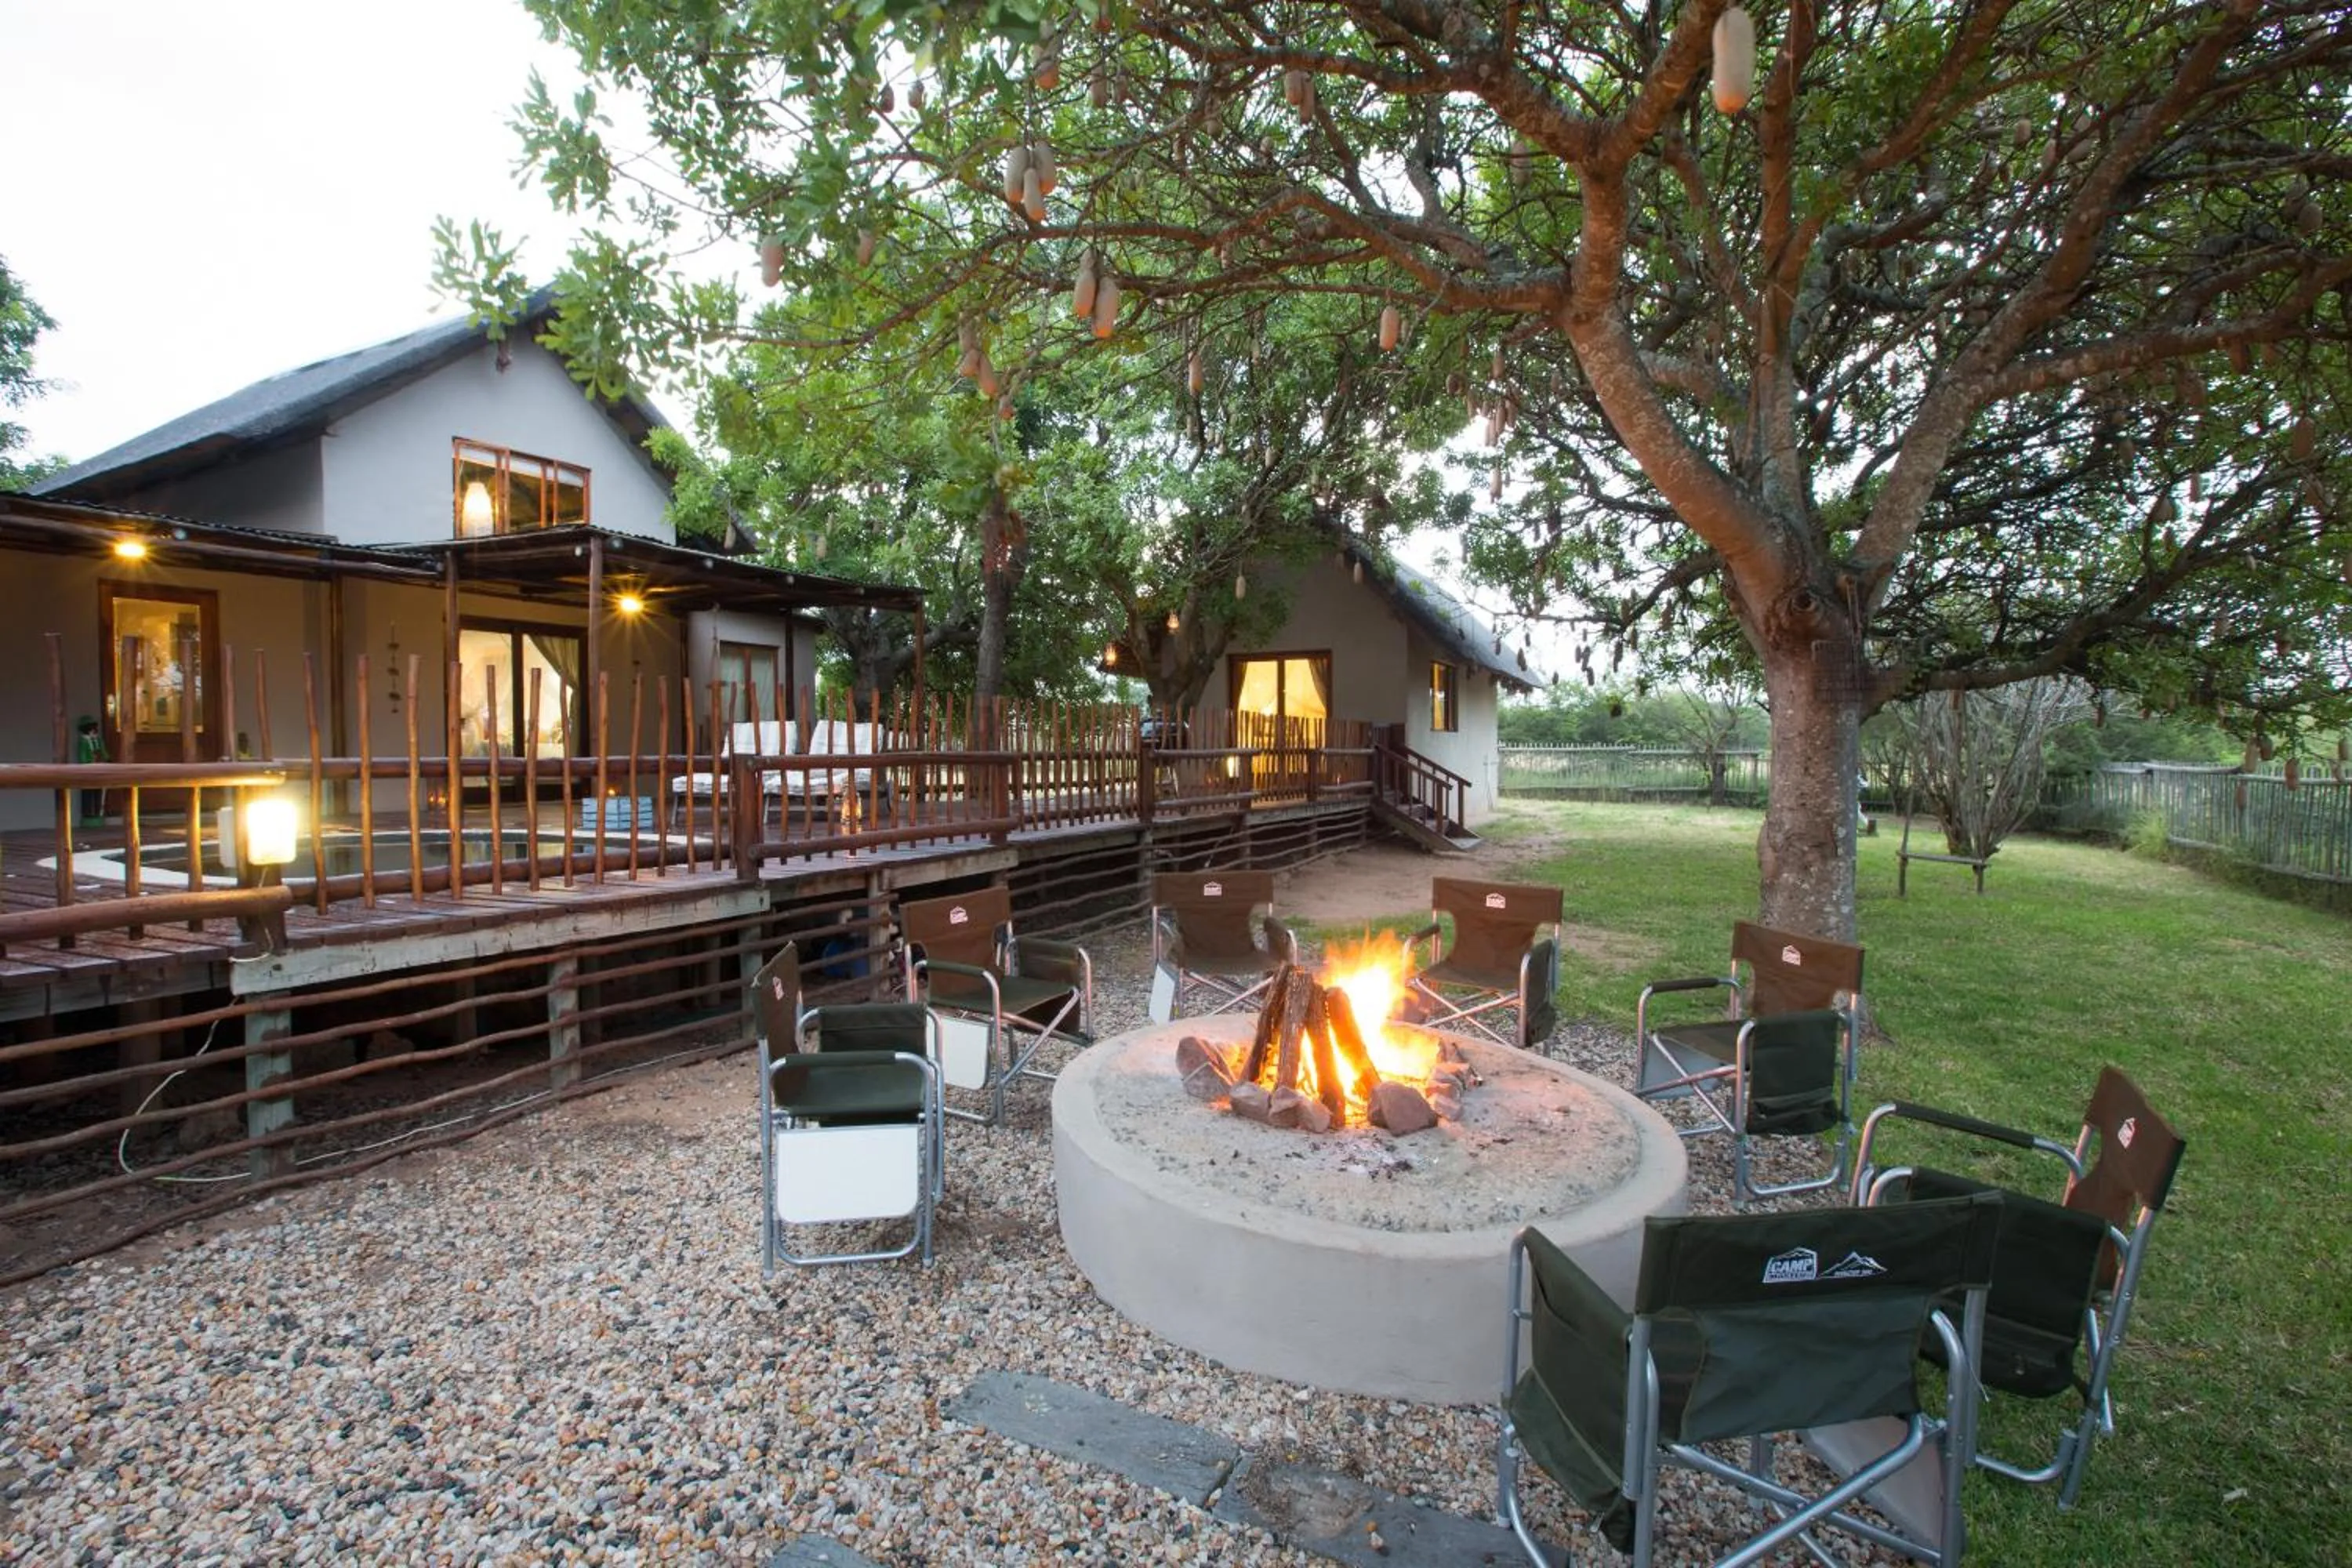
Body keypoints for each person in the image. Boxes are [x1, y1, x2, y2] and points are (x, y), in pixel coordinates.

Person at [75, 716, 108, 826]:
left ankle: (98, 812)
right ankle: (88, 813)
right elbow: (82, 754)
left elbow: (103, 750)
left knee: (98, 792)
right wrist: (85, 764)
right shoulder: (83, 741)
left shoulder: (98, 740)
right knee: (88, 793)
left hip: (98, 768)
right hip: (88, 770)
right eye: (91, 729)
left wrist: (106, 758)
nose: (93, 731)